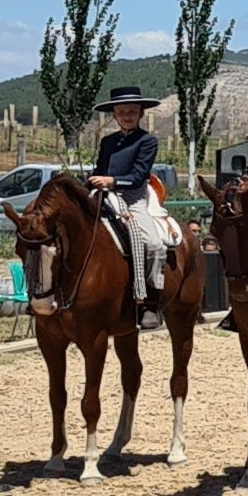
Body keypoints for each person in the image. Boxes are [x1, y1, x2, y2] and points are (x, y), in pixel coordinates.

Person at [91, 84, 178, 329]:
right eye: (122, 112)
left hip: (133, 198)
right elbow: (99, 169)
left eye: (132, 111)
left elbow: (139, 176)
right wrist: (95, 181)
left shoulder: (147, 141)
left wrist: (113, 180)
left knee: (152, 243)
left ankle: (150, 301)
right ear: (115, 115)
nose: (127, 116)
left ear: (140, 113)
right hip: (104, 195)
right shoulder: (107, 142)